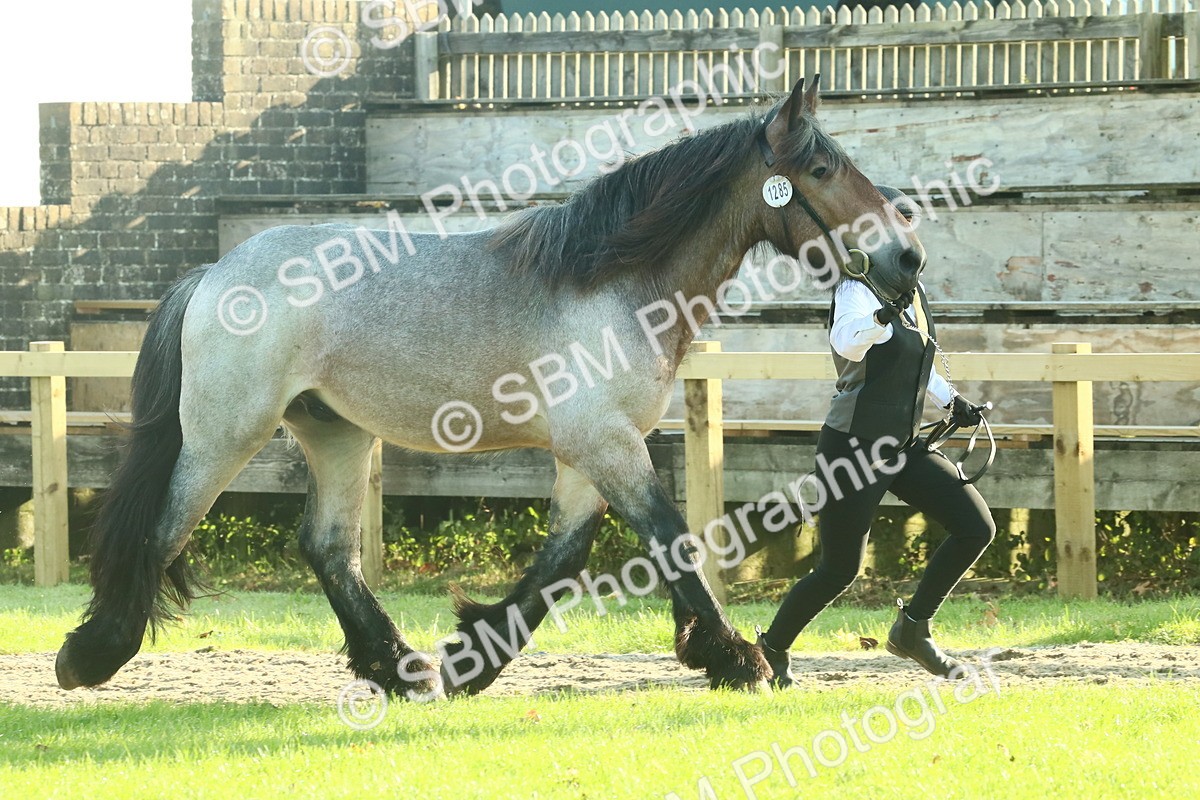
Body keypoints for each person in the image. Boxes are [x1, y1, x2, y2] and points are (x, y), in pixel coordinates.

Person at [758, 191, 997, 686]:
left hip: (904, 446)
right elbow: (845, 342)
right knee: (838, 570)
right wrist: (879, 319)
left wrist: (953, 402)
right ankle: (770, 650)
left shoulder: (913, 292)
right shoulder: (857, 287)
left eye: (912, 228)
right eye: (897, 227)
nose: (906, 238)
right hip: (853, 447)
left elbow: (920, 361)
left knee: (975, 526)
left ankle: (913, 629)